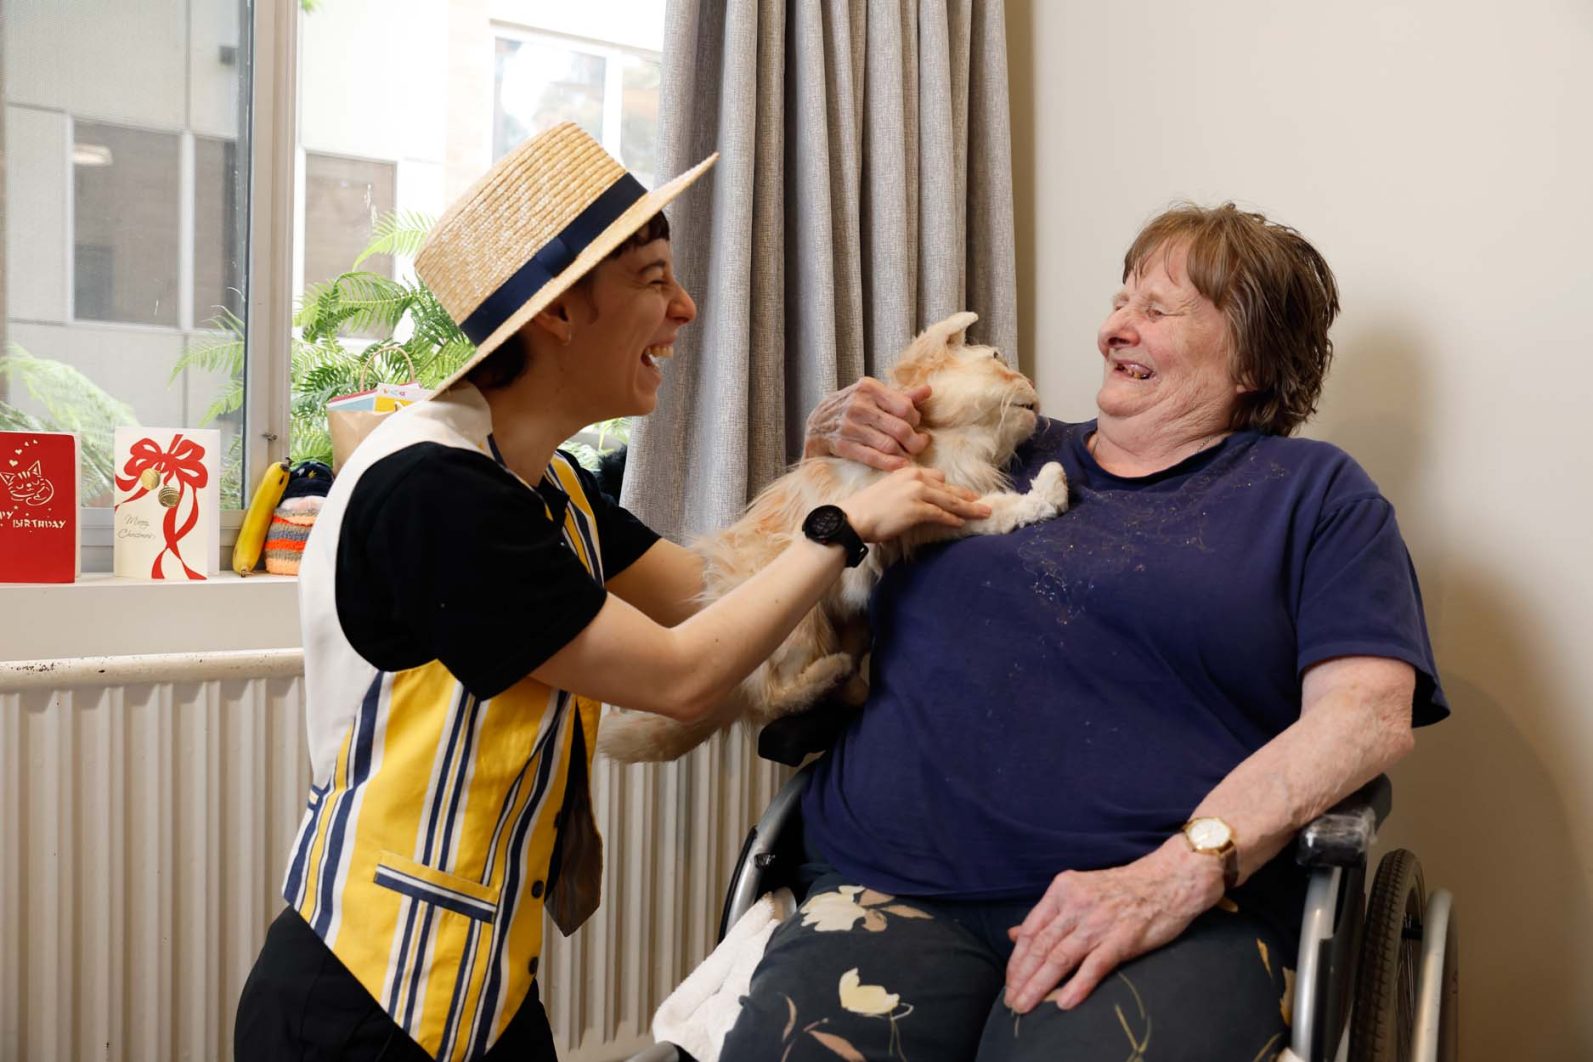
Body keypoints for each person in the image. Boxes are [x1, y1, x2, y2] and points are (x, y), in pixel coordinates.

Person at [233, 123, 989, 1062]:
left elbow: (707, 588)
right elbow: (679, 674)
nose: (685, 306)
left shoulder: (542, 485)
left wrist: (821, 468)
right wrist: (845, 529)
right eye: (652, 279)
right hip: (364, 1005)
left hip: (485, 985)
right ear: (556, 313)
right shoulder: (435, 492)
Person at [722, 203, 1447, 1061]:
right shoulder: (1000, 453)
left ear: (1251, 360)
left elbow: (1364, 713)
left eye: (1157, 310)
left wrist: (1175, 876)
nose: (1113, 329)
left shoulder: (1313, 496)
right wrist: (837, 439)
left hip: (1168, 906)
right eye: (1119, 300)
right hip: (888, 880)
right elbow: (808, 554)